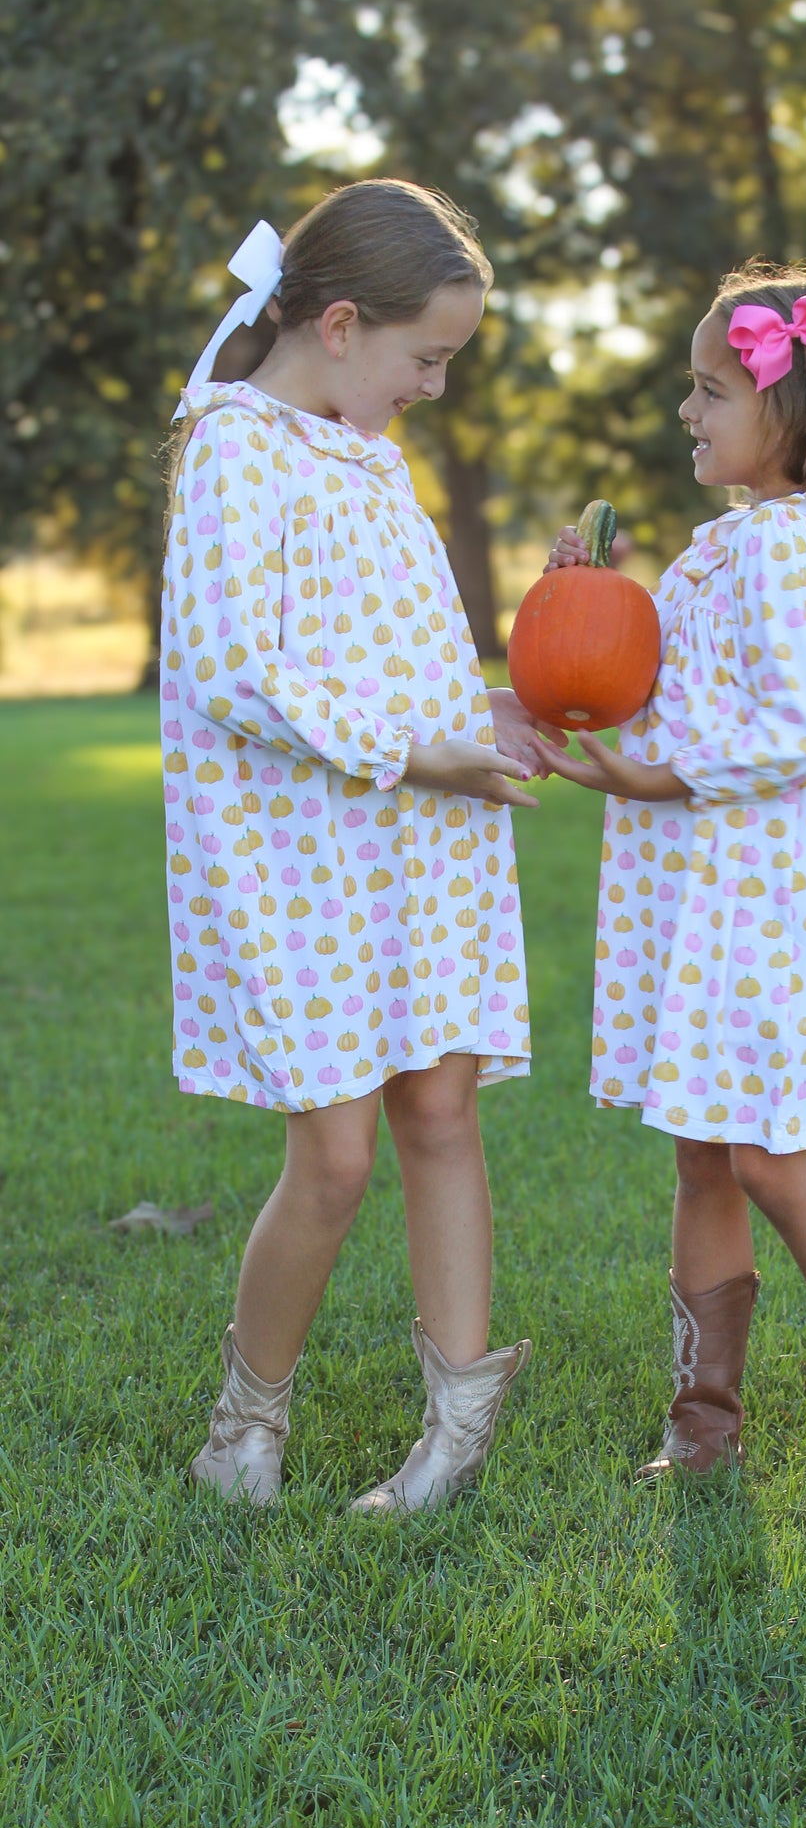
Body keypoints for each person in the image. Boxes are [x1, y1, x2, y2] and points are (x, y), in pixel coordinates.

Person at [162, 179, 559, 1512]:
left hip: (418, 842)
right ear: (339, 325)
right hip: (303, 856)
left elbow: (394, 651)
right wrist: (415, 747)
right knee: (334, 1159)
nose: (433, 388)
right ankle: (244, 1425)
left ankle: (457, 1427)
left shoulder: (367, 453)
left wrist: (474, 714)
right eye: (426, 358)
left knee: (441, 1112)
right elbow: (235, 669)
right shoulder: (235, 449)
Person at [541, 264, 806, 1487]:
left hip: (763, 906)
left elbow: (800, 726)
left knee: (770, 1157)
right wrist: (584, 600)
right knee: (702, 1153)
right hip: (712, 899)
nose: (686, 409)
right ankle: (702, 1426)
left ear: (792, 408)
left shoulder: (784, 549)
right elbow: (678, 693)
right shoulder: (729, 548)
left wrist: (654, 778)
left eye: (709, 388)